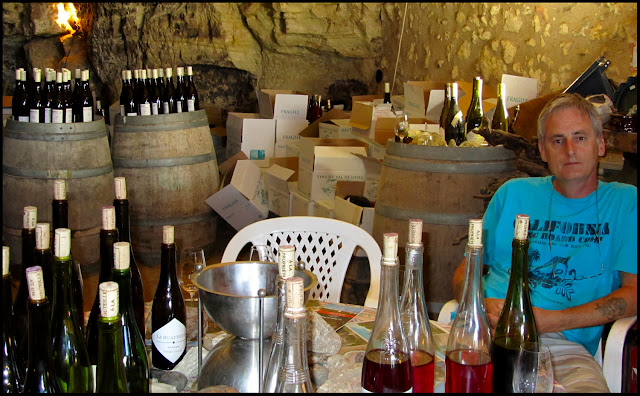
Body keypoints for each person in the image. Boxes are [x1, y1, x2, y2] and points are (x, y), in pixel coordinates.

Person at [452, 93, 637, 392]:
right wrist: (477, 305)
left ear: (600, 145)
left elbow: (634, 294)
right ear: (542, 150)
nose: (570, 150)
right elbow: (465, 271)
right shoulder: (513, 194)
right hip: (481, 334)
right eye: (557, 140)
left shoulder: (626, 203)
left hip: (561, 345)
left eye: (580, 137)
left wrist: (550, 321)